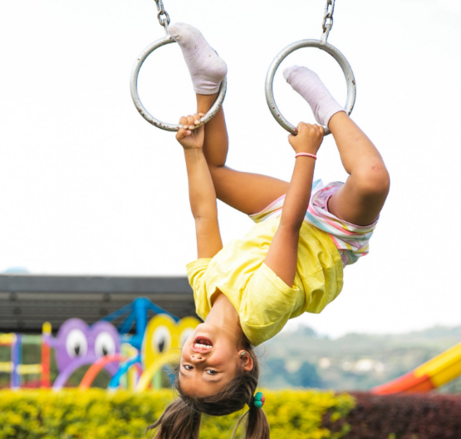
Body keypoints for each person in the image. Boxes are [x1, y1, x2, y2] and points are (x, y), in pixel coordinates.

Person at [147, 23, 389, 439]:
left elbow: (204, 216)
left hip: (280, 215)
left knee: (212, 172)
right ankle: (328, 107)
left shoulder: (204, 294)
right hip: (329, 233)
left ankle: (207, 80)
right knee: (371, 179)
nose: (198, 360)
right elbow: (290, 231)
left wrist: (191, 152)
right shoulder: (259, 313)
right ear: (244, 361)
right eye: (211, 371)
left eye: (187, 367)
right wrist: (307, 153)